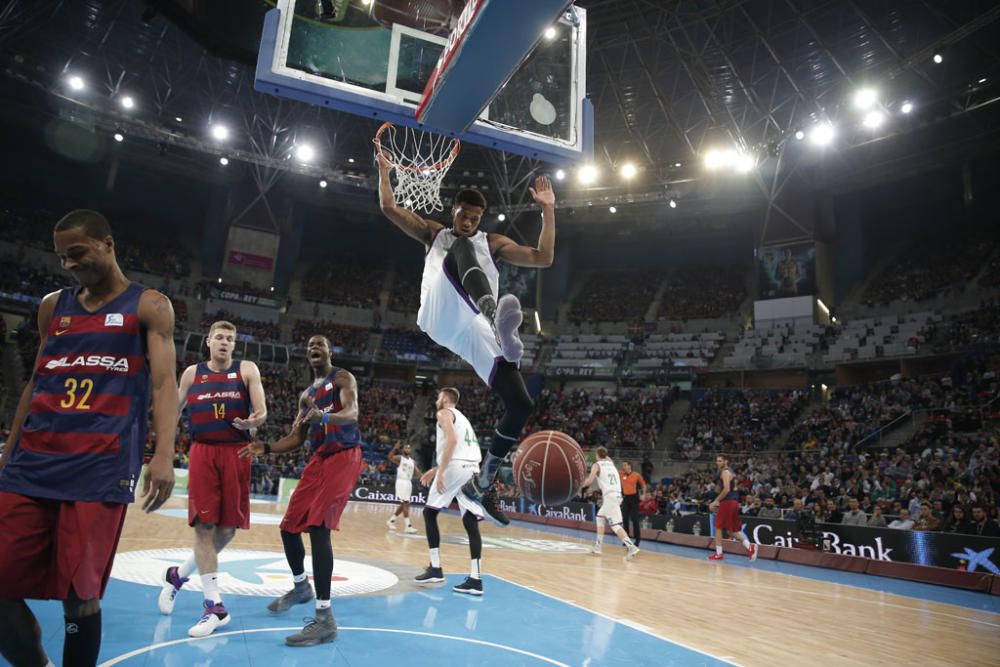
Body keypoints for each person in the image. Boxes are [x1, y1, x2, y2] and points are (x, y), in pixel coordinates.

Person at [0, 210, 177, 667]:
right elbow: (36, 382)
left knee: (80, 598)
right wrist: (9, 450)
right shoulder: (51, 307)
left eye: (77, 254)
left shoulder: (148, 306)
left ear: (108, 244)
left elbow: (163, 384)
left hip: (98, 470)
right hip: (32, 464)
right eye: (62, 258)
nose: (69, 265)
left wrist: (163, 455)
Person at [378, 154, 556, 526]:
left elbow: (544, 257)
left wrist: (548, 212)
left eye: (474, 219)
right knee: (460, 247)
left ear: (481, 218)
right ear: (453, 210)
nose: (468, 222)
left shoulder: (493, 242)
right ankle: (495, 315)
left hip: (472, 326)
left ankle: (486, 480)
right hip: (440, 313)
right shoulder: (435, 233)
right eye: (463, 216)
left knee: (521, 403)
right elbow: (388, 206)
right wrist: (384, 172)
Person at [238, 335, 363, 647]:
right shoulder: (306, 395)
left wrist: (325, 416)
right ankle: (301, 587)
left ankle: (325, 619)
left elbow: (352, 413)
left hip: (344, 456)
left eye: (319, 345)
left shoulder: (342, 378)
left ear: (329, 350)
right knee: (289, 527)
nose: (314, 349)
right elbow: (296, 438)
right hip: (318, 460)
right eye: (309, 347)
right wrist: (264, 447)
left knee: (319, 528)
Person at [158, 320, 268, 637]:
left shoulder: (247, 370)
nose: (223, 342)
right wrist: (160, 446)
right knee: (204, 528)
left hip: (237, 452)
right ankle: (214, 607)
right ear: (208, 341)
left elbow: (261, 411)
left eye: (229, 339)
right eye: (218, 337)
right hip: (203, 452)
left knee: (227, 531)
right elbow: (173, 410)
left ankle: (177, 575)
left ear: (234, 345)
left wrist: (253, 421)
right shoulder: (192, 374)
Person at [413, 387, 490, 595]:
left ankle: (435, 569)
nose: (437, 400)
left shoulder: (443, 413)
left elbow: (452, 442)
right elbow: (460, 450)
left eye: (438, 396)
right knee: (469, 521)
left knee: (429, 512)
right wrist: (435, 469)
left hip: (454, 468)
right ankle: (476, 579)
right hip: (472, 469)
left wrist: (443, 471)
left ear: (445, 398)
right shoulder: (464, 419)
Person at [581, 447, 640, 561]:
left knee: (615, 525)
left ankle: (631, 547)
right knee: (600, 517)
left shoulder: (596, 465)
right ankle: (598, 546)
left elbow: (589, 481)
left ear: (597, 455)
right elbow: (607, 457)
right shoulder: (611, 463)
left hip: (610, 497)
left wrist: (578, 486)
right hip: (617, 495)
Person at [707, 455, 756, 562]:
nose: (718, 463)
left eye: (720, 461)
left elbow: (726, 490)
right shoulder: (732, 472)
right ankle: (749, 547)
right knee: (730, 531)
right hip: (734, 502)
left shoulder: (725, 472)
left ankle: (719, 554)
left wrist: (716, 501)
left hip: (728, 502)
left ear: (726, 461)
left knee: (718, 527)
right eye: (717, 461)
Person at [387, 440, 421, 533]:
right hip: (401, 481)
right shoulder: (400, 458)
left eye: (409, 448)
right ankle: (408, 526)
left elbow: (417, 472)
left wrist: (425, 477)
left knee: (404, 504)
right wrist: (394, 448)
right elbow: (389, 457)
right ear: (402, 450)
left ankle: (391, 520)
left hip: (408, 483)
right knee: (405, 503)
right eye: (406, 447)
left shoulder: (412, 461)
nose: (408, 449)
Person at [619, 461, 647, 546]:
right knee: (625, 519)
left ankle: (637, 540)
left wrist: (643, 495)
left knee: (635, 520)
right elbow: (612, 467)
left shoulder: (636, 475)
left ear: (629, 466)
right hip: (625, 498)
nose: (623, 466)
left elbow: (644, 485)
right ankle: (627, 540)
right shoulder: (621, 474)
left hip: (634, 498)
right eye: (623, 465)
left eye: (625, 465)